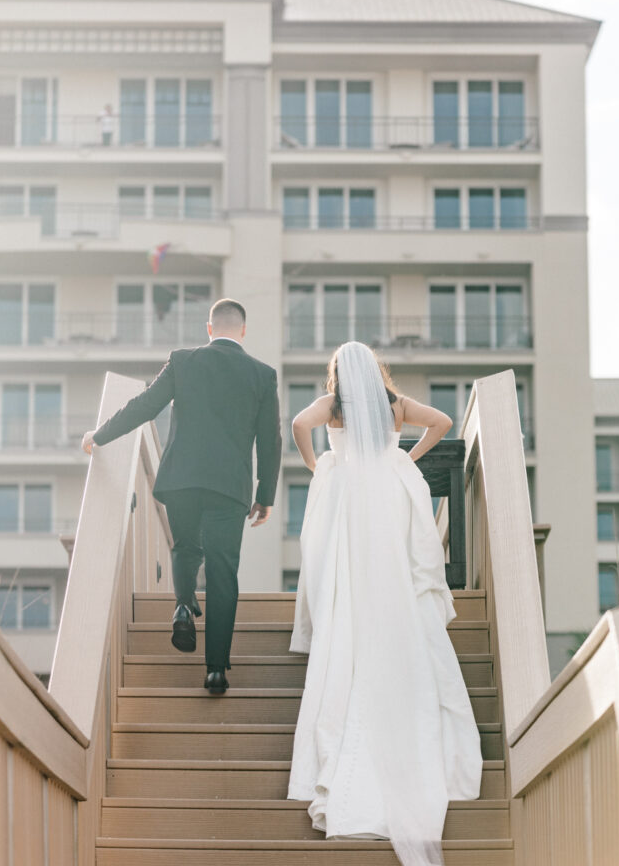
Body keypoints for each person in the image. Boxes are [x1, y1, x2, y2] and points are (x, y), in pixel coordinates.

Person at [287, 341, 483, 866]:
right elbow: (442, 420)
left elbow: (297, 425)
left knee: (346, 573)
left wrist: (319, 465)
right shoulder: (395, 402)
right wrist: (405, 457)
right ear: (376, 370)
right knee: (393, 566)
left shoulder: (334, 405)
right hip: (389, 495)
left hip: (349, 497)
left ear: (337, 373)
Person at [81, 298, 282, 695]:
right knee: (224, 573)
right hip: (230, 488)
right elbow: (270, 440)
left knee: (186, 548)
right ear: (242, 331)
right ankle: (216, 670)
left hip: (182, 479)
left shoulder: (183, 361)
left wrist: (98, 435)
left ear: (210, 329)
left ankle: (183, 606)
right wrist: (266, 494)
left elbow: (145, 406)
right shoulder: (262, 375)